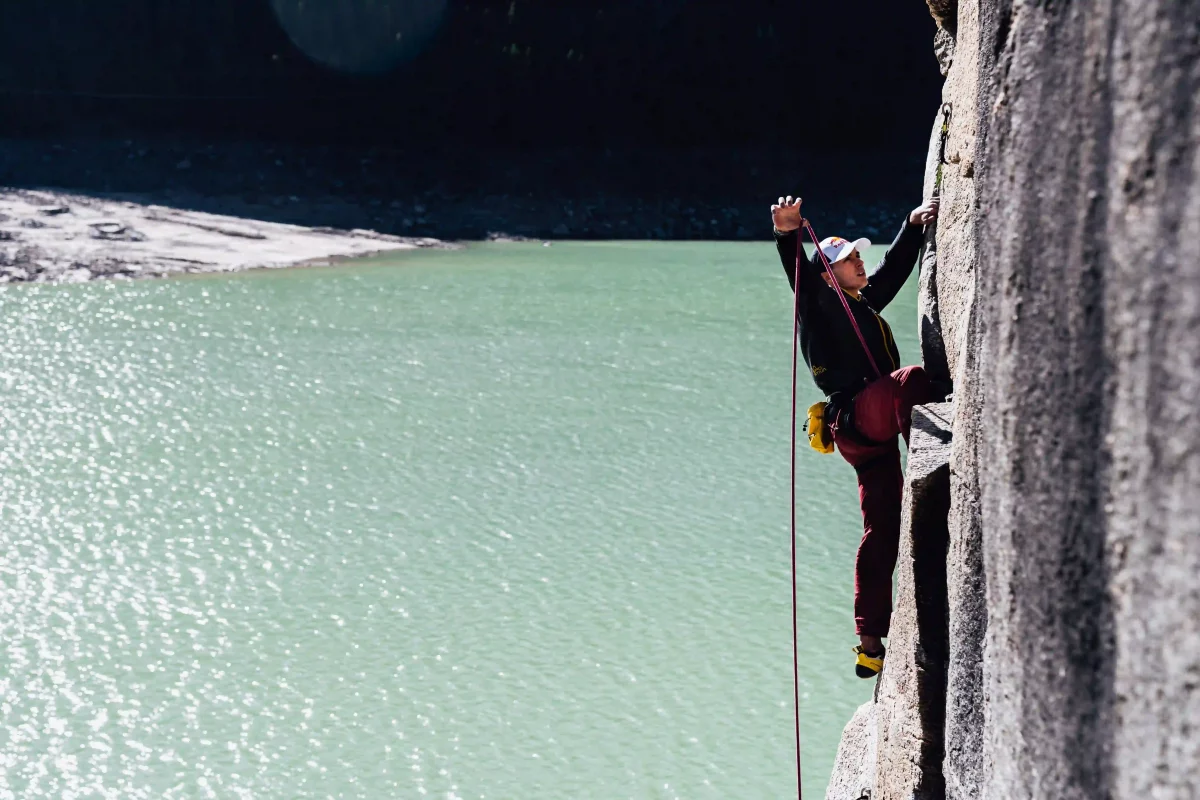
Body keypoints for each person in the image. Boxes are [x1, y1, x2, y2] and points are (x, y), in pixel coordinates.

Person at [771, 194, 941, 678]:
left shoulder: (858, 304)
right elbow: (799, 275)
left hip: (865, 431)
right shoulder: (820, 304)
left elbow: (891, 271)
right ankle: (931, 460)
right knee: (912, 381)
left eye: (858, 256)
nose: (860, 262)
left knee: (881, 526)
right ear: (828, 274)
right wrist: (787, 234)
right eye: (849, 260)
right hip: (861, 416)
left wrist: (910, 226)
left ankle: (869, 643)